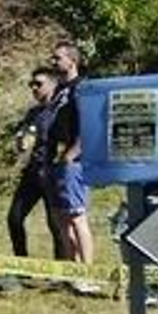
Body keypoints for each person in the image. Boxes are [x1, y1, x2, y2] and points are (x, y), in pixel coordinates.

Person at [45, 41, 95, 263]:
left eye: (58, 58)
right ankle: (72, 271)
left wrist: (73, 152)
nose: (53, 61)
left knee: (76, 217)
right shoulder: (59, 90)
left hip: (73, 162)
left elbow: (89, 123)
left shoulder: (82, 87)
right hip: (54, 160)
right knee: (61, 219)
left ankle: (88, 272)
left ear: (72, 60)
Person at [6, 68, 63, 257]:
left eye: (39, 84)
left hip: (54, 172)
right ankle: (21, 263)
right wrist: (21, 142)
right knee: (14, 218)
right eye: (31, 84)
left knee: (56, 224)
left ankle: (62, 268)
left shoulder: (60, 111)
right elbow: (24, 140)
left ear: (53, 84)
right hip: (33, 171)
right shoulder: (33, 112)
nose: (34, 88)